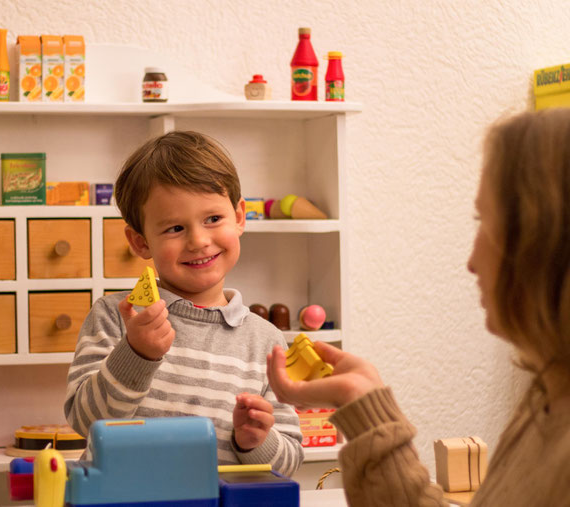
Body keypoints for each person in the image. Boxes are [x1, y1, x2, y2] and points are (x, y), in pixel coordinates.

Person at [267, 108, 570, 506]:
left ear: (544, 246)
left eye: (486, 223)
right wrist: (364, 401)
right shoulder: (548, 398)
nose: (471, 262)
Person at [64, 130, 304, 476]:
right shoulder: (117, 317)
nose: (198, 241)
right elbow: (85, 421)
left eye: (212, 219)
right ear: (140, 241)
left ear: (239, 217)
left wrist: (255, 441)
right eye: (175, 228)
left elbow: (289, 463)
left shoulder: (266, 342)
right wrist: (136, 354)